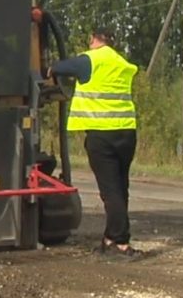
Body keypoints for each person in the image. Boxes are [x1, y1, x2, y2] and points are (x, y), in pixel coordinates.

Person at [47, 25, 140, 260]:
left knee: (110, 191)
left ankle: (121, 242)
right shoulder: (122, 63)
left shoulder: (89, 60)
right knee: (120, 187)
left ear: (93, 40)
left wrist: (48, 68)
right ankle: (111, 237)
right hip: (127, 132)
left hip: (102, 135)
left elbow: (58, 67)